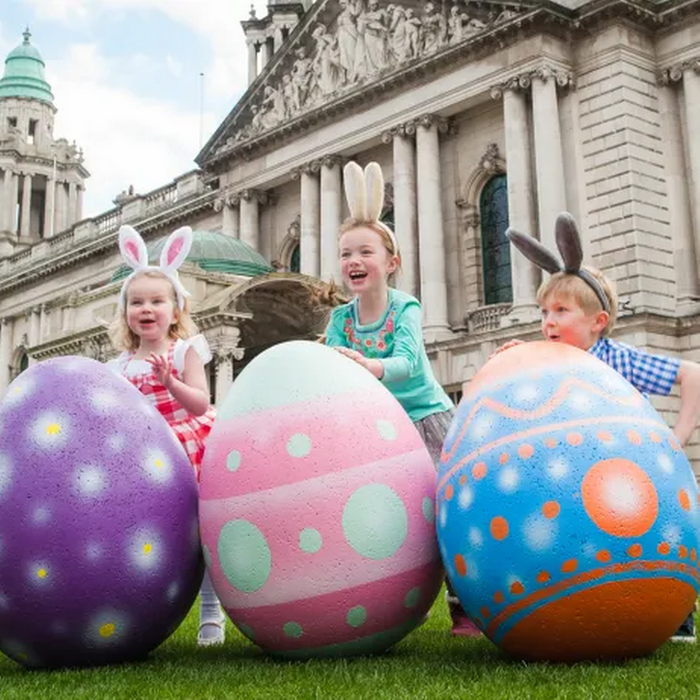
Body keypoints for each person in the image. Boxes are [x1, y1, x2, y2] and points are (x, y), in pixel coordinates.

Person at [504, 212, 700, 643]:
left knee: (661, 532)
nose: (547, 321)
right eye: (543, 311)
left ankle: (678, 617)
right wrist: (514, 360)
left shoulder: (618, 360)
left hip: (640, 473)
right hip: (584, 482)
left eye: (560, 310)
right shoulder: (548, 363)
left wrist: (676, 438)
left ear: (598, 322)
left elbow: (693, 374)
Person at [323, 161, 480, 637]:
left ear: (390, 263)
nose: (354, 260)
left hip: (426, 419)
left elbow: (409, 361)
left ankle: (465, 606)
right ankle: (376, 604)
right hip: (374, 430)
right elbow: (326, 369)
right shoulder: (339, 321)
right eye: (346, 252)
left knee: (450, 512)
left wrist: (368, 366)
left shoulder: (405, 307)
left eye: (365, 251)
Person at [107, 224, 226, 647]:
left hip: (189, 446)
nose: (146, 308)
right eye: (136, 302)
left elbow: (199, 401)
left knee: (203, 532)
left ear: (176, 310)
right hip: (145, 457)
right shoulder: (119, 365)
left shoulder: (184, 350)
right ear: (126, 314)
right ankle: (142, 609)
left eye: (157, 301)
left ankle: (211, 615)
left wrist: (169, 381)